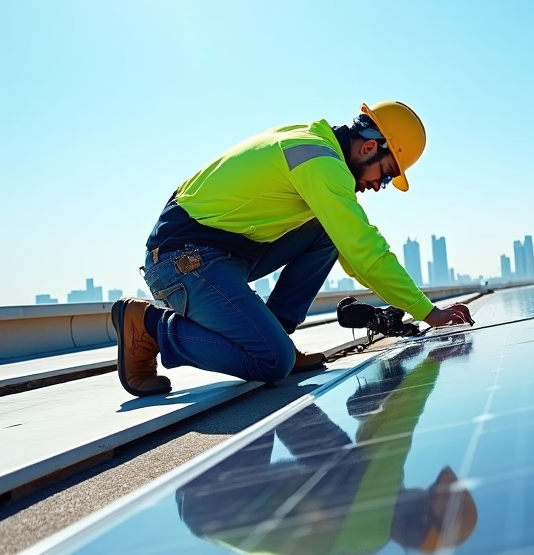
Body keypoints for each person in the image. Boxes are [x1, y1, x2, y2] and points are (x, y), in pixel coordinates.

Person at [111, 101, 471, 396]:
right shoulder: (320, 161)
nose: (381, 185)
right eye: (388, 173)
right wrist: (427, 312)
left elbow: (351, 249)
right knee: (272, 362)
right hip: (181, 260)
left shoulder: (314, 143)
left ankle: (277, 332)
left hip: (227, 252)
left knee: (329, 231)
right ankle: (150, 327)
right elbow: (365, 250)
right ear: (368, 147)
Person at [175, 338, 478, 555]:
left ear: (424, 518)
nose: (421, 490)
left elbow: (395, 434)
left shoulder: (372, 526)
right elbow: (377, 441)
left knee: (345, 459)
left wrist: (432, 363)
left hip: (212, 502)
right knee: (349, 463)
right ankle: (271, 369)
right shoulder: (368, 529)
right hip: (212, 507)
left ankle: (250, 350)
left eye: (428, 496)